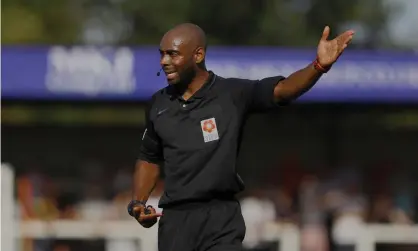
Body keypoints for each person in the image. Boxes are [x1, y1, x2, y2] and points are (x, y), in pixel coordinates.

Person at [127, 23, 354, 251]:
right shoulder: (158, 104)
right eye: (162, 54)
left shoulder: (231, 94)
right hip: (175, 223)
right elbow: (149, 158)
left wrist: (319, 66)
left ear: (198, 54)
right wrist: (138, 203)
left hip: (220, 219)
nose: (163, 61)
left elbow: (283, 89)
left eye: (172, 54)